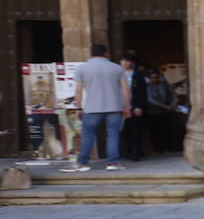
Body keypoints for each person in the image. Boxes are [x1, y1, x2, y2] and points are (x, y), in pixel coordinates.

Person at [63, 43, 130, 172]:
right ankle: (112, 163)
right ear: (106, 54)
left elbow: (78, 90)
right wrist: (126, 107)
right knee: (113, 134)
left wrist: (78, 105)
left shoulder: (82, 68)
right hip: (114, 107)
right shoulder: (117, 68)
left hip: (92, 108)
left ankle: (82, 163)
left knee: (87, 135)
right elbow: (126, 90)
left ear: (91, 54)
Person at [119, 53, 147, 161]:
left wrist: (140, 107)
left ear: (131, 62)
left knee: (135, 130)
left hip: (134, 106)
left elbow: (142, 92)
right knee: (124, 131)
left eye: (128, 61)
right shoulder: (116, 74)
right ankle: (127, 152)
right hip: (121, 107)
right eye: (123, 60)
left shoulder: (137, 75)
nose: (125, 63)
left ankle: (136, 152)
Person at [144, 69, 176, 153]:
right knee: (156, 131)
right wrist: (165, 106)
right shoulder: (147, 86)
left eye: (156, 77)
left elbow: (172, 94)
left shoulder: (164, 84)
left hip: (166, 111)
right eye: (152, 78)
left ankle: (169, 147)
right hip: (153, 112)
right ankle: (158, 148)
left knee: (168, 129)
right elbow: (150, 100)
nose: (154, 79)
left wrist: (173, 103)